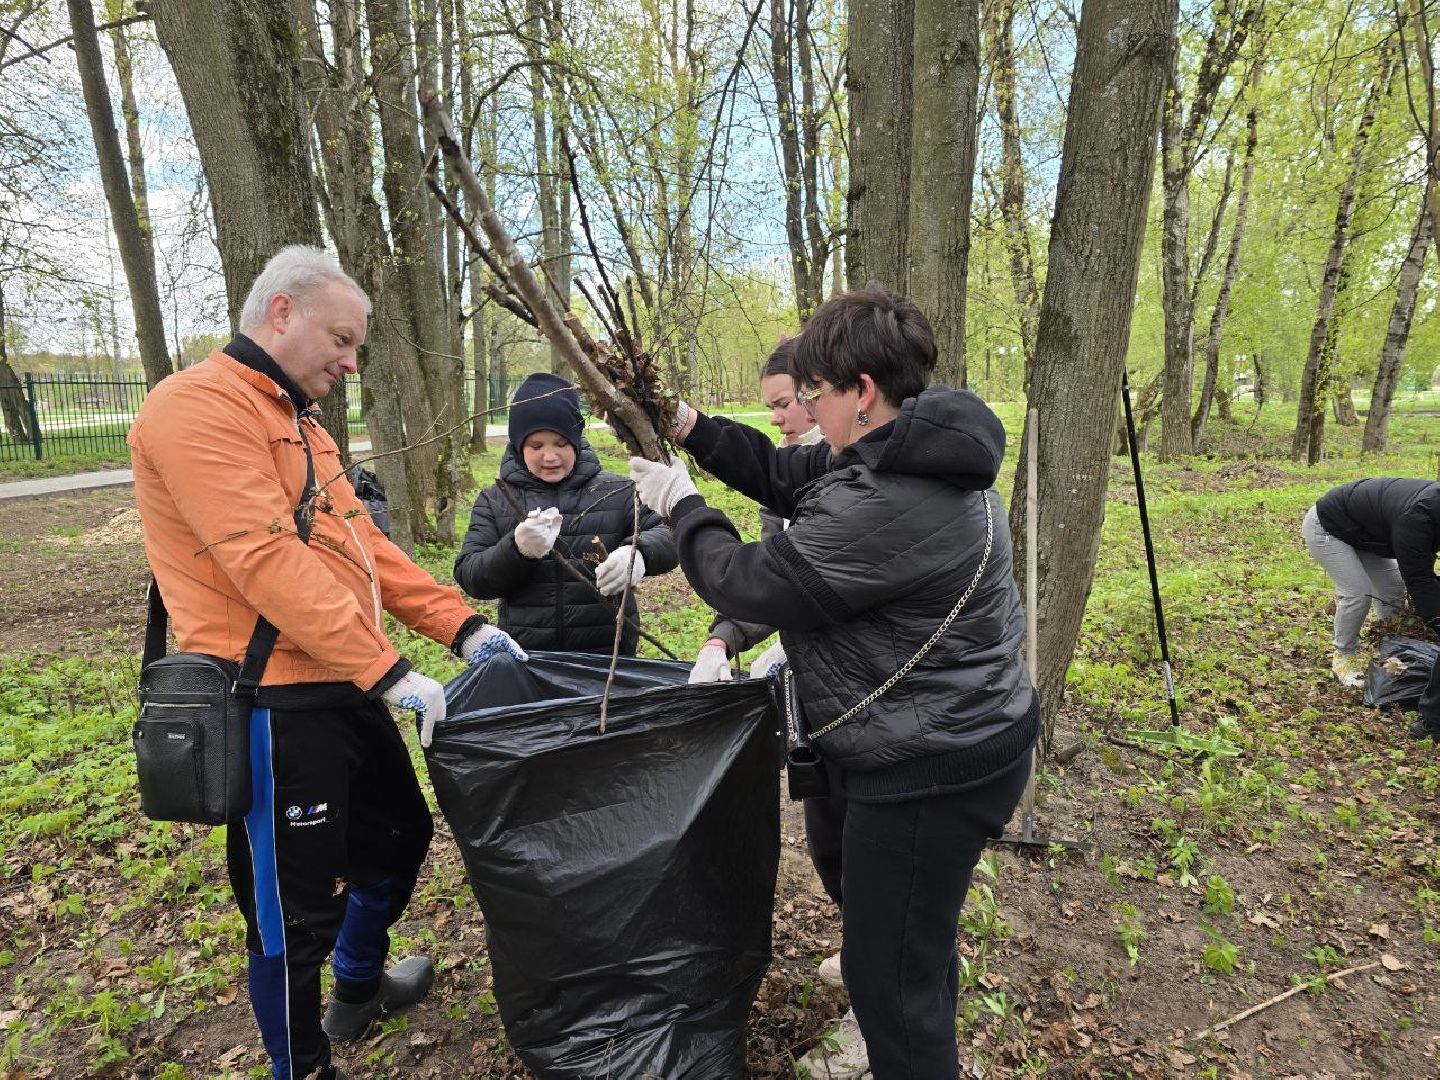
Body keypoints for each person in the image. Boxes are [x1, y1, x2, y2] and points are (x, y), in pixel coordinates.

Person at [128, 245, 527, 1080]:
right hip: (268, 700)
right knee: (289, 912)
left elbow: (363, 544)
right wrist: (388, 670)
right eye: (341, 340)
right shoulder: (194, 408)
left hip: (338, 680)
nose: (349, 363)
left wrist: (461, 628)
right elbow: (263, 559)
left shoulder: (297, 421)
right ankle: (301, 1064)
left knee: (397, 834)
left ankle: (358, 986)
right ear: (283, 313)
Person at [631, 284, 1038, 1080]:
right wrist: (690, 429)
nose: (807, 412)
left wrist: (684, 508)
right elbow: (785, 474)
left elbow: (748, 582)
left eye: (815, 394)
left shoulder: (891, 500)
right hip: (947, 738)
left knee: (891, 989)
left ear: (864, 391)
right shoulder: (905, 449)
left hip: (929, 771)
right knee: (909, 955)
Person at [453, 372, 678, 655]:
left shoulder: (616, 490)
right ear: (518, 444)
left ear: (576, 440)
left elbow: (670, 533)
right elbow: (470, 575)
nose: (550, 456)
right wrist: (517, 550)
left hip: (609, 656)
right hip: (530, 659)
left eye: (561, 443)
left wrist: (639, 554)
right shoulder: (496, 501)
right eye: (536, 446)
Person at [688, 338, 823, 683]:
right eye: (769, 407)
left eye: (783, 404)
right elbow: (772, 577)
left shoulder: (849, 477)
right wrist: (721, 639)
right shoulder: (781, 482)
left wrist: (683, 504)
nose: (775, 419)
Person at [1303, 477, 1440, 737]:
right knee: (1358, 593)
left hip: (1367, 533)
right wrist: (1436, 621)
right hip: (1328, 526)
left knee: (1392, 592)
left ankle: (1395, 652)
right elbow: (1420, 580)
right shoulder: (1419, 518)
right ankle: (1342, 657)